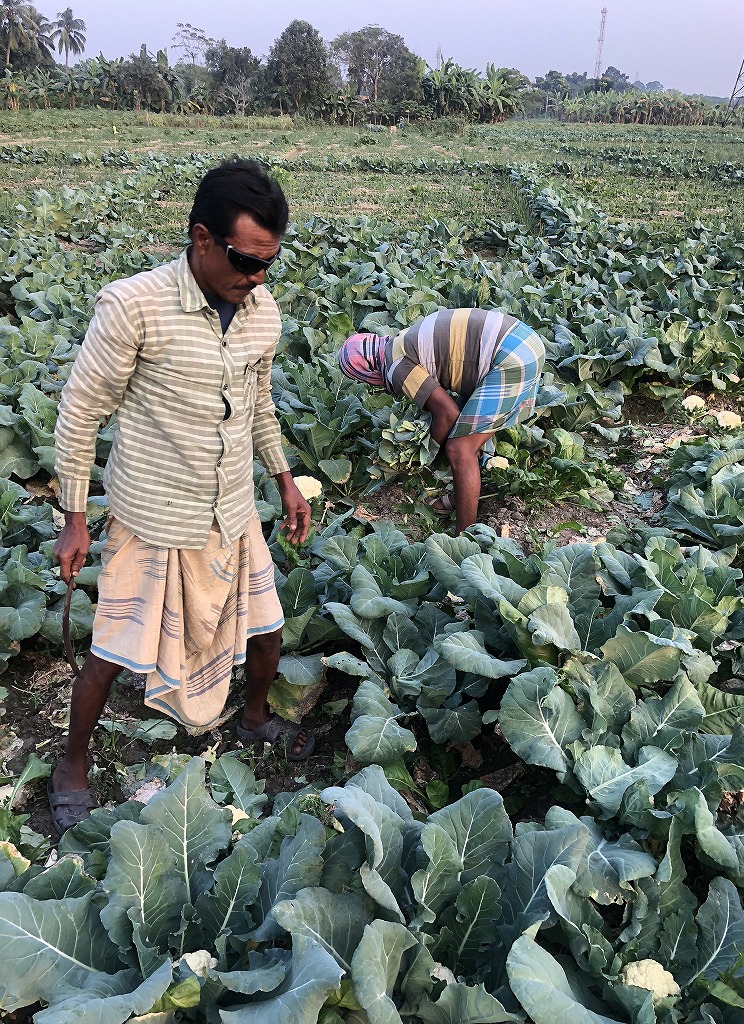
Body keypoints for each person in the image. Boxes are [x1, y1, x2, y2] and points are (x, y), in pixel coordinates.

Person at [49, 159, 314, 836]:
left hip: (230, 506)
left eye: (267, 264)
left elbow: (259, 407)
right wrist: (75, 519)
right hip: (154, 514)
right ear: (200, 238)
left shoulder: (262, 313)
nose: (254, 278)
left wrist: (283, 479)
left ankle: (253, 720)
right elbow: (80, 413)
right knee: (110, 652)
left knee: (266, 626)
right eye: (243, 260)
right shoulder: (133, 306)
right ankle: (72, 765)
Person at [338, 308, 546, 532]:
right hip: (523, 339)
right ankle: (459, 500)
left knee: (459, 450)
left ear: (365, 370)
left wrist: (427, 452)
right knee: (466, 432)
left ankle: (465, 536)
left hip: (511, 357)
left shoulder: (395, 365)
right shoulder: (399, 341)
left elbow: (448, 413)